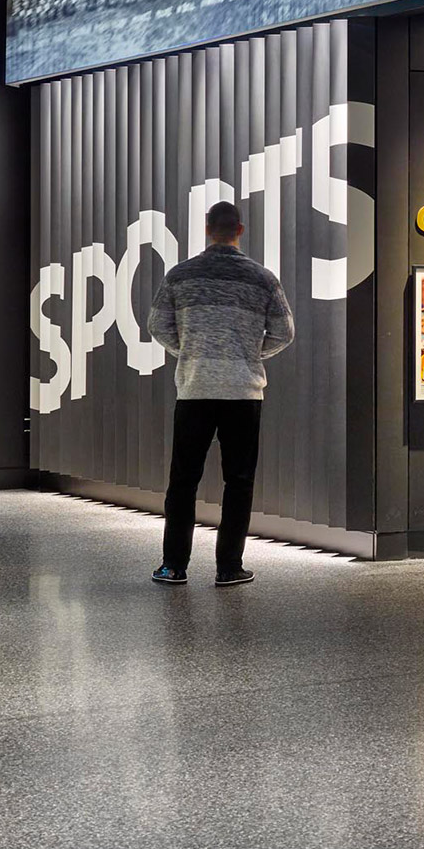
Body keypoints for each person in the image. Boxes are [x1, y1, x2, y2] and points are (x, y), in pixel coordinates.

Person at [148, 201, 296, 587]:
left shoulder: (181, 275)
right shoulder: (263, 279)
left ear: (207, 228)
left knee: (183, 481)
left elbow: (157, 325)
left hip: (195, 388)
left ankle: (173, 566)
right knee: (239, 482)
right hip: (244, 393)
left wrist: (191, 349)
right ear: (240, 230)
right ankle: (229, 567)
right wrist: (249, 353)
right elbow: (284, 332)